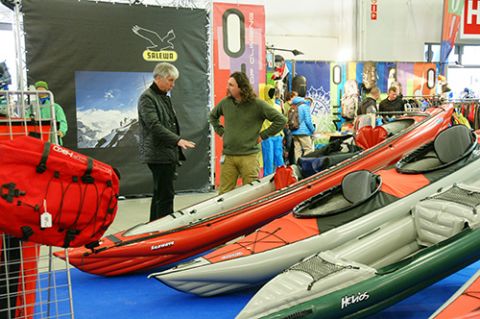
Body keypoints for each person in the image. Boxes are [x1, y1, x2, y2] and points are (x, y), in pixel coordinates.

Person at [209, 71, 286, 194]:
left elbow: (281, 120)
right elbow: (212, 117)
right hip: (228, 156)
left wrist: (263, 135)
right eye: (228, 84)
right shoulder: (225, 103)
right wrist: (222, 132)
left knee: (251, 193)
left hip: (249, 157)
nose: (227, 87)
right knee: (224, 194)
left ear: (241, 87)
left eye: (231, 85)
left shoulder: (257, 104)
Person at [138, 62, 195, 222]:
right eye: (170, 80)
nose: (173, 84)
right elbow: (154, 126)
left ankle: (154, 227)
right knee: (165, 195)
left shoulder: (163, 97)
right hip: (158, 154)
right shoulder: (147, 98)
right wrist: (178, 140)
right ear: (158, 78)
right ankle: (164, 230)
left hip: (166, 152)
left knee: (160, 193)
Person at [290, 96, 315, 162]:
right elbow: (308, 121)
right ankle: (306, 165)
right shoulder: (305, 106)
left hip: (294, 131)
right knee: (308, 149)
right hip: (304, 132)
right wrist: (313, 130)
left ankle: (297, 166)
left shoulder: (294, 106)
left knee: (297, 150)